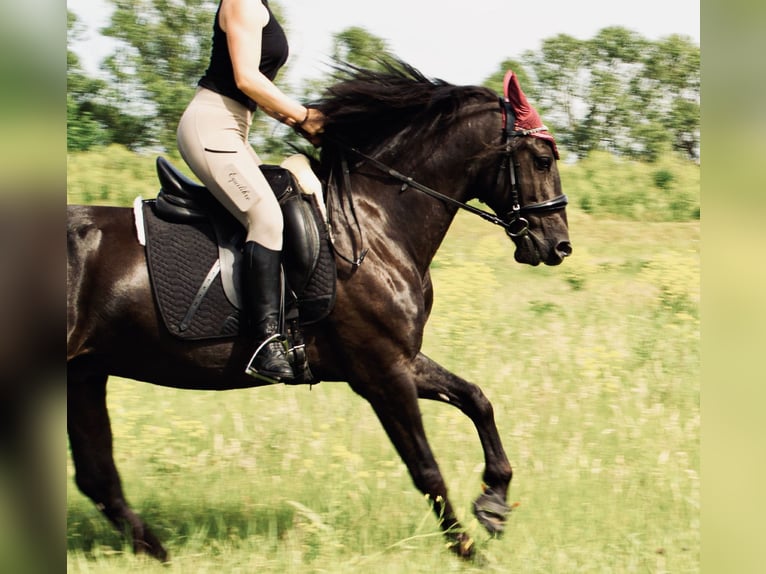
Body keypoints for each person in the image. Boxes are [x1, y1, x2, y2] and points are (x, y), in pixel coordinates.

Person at [177, 0, 325, 383]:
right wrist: (304, 115)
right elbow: (246, 79)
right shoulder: (241, 2)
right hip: (211, 125)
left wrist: (299, 118)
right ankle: (264, 344)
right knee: (265, 215)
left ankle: (291, 333)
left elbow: (260, 91)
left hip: (235, 129)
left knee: (285, 206)